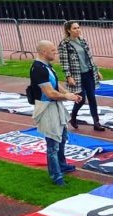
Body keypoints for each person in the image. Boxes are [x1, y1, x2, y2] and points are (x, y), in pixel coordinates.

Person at [30, 40, 82, 186]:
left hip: (55, 106)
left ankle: (62, 165)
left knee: (62, 137)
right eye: (53, 50)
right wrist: (67, 96)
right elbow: (50, 93)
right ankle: (56, 175)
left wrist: (69, 94)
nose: (55, 52)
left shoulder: (46, 66)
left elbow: (56, 84)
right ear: (44, 51)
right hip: (47, 108)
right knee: (53, 144)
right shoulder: (38, 69)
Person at [58, 21, 104, 131]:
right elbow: (64, 62)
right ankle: (73, 117)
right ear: (68, 30)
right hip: (77, 75)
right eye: (74, 28)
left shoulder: (83, 41)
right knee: (81, 99)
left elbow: (90, 57)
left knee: (92, 97)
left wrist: (96, 71)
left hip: (88, 73)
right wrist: (68, 76)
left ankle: (96, 122)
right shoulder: (64, 44)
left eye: (78, 27)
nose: (78, 30)